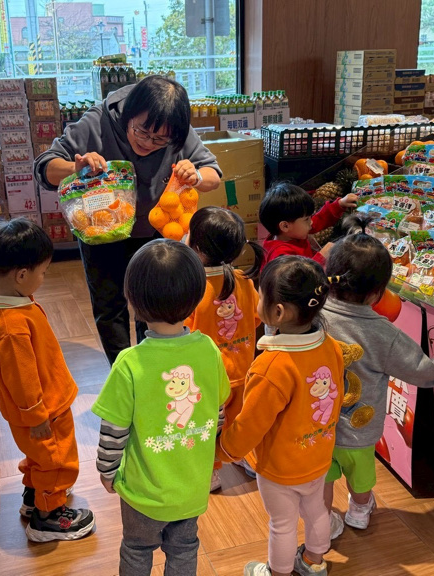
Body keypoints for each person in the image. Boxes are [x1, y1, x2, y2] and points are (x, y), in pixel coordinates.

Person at [35, 75, 223, 365]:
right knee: (109, 305)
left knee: (153, 303)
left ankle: (150, 368)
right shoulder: (97, 122)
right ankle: (121, 370)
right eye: (141, 132)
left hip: (155, 231)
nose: (147, 142)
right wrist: (75, 167)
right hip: (101, 232)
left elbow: (213, 174)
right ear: (129, 114)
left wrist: (195, 175)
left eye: (160, 140)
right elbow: (45, 167)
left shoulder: (175, 128)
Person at [92, 240, 230, 576]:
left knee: (137, 549)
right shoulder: (208, 349)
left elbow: (114, 430)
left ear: (133, 302)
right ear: (196, 297)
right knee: (184, 548)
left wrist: (107, 471)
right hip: (192, 486)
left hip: (143, 493)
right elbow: (218, 412)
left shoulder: (129, 363)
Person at [321, 226, 434, 538]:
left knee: (322, 479)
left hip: (317, 426)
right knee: (360, 477)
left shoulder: (314, 315)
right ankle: (359, 511)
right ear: (377, 293)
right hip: (359, 429)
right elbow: (417, 368)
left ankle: (323, 521)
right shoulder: (382, 332)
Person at [217, 256, 346, 576]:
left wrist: (224, 449)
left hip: (280, 467)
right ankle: (314, 563)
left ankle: (278, 572)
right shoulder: (331, 346)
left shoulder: (271, 366)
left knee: (283, 524)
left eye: (260, 296)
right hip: (318, 454)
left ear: (278, 313)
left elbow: (250, 424)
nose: (257, 301)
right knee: (317, 511)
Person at [0, 218, 95, 542]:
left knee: (40, 457)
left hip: (39, 408)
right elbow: (22, 377)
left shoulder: (3, 301)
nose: (44, 278)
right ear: (21, 275)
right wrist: (36, 416)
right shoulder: (13, 325)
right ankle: (48, 517)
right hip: (45, 411)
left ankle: (34, 497)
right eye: (43, 272)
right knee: (57, 461)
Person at [184, 207, 265, 491]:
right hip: (243, 370)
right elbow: (257, 317)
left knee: (207, 425)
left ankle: (210, 473)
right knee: (239, 422)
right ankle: (243, 456)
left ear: (195, 246)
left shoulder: (192, 287)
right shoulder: (243, 279)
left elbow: (186, 331)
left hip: (207, 377)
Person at [259, 182, 358, 265]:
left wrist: (340, 204)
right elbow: (300, 277)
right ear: (285, 226)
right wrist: (321, 257)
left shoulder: (292, 232)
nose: (311, 221)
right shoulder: (280, 256)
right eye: (306, 219)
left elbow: (319, 220)